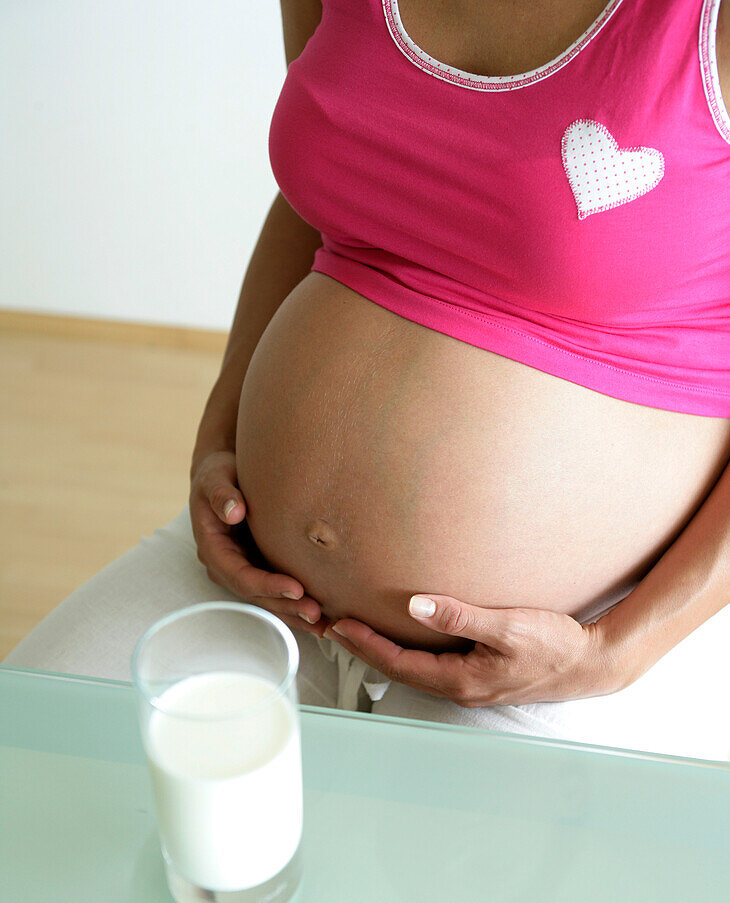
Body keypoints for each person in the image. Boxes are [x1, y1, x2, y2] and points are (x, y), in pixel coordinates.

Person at [4, 0, 730, 762]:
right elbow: (323, 199)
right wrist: (219, 430)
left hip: (554, 647)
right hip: (260, 574)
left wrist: (618, 649)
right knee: (30, 785)